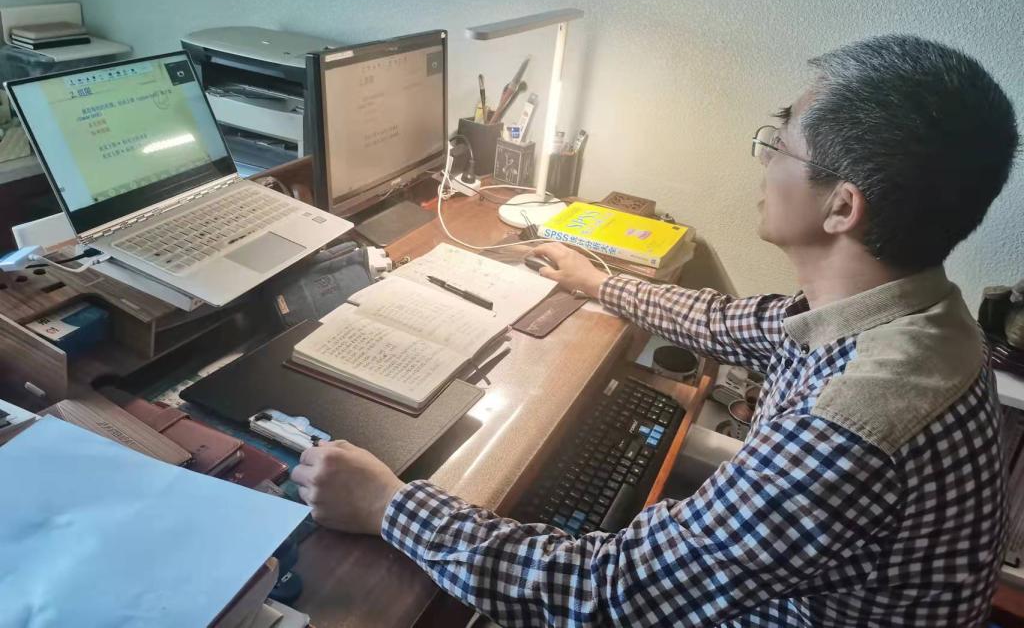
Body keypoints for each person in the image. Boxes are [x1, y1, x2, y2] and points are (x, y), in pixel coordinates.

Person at [291, 35, 1019, 627]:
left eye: (780, 142)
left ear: (842, 208)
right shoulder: (916, 313)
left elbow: (607, 595)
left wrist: (389, 505)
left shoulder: (852, 425)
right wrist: (599, 283)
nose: (765, 159)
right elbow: (741, 323)